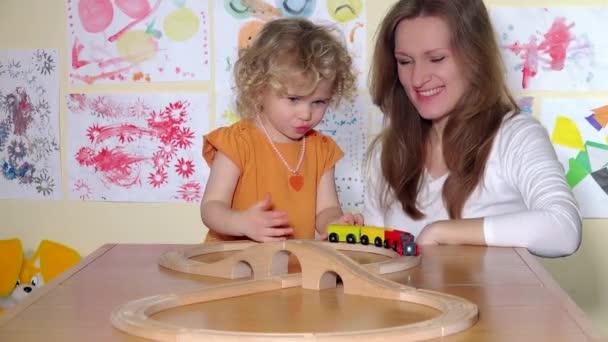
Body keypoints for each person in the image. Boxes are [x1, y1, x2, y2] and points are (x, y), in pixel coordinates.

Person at [364, 0, 581, 257]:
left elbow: (564, 230)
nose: (418, 79)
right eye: (405, 62)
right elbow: (374, 264)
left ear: (475, 56)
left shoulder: (515, 137)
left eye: (436, 58)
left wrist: (442, 232)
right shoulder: (387, 151)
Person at [201, 17, 362, 243]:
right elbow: (211, 208)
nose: (306, 113)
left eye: (319, 102)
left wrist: (335, 223)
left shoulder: (322, 149)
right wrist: (242, 222)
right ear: (259, 89)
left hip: (291, 267)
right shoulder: (237, 142)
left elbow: (326, 209)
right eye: (294, 99)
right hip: (233, 267)